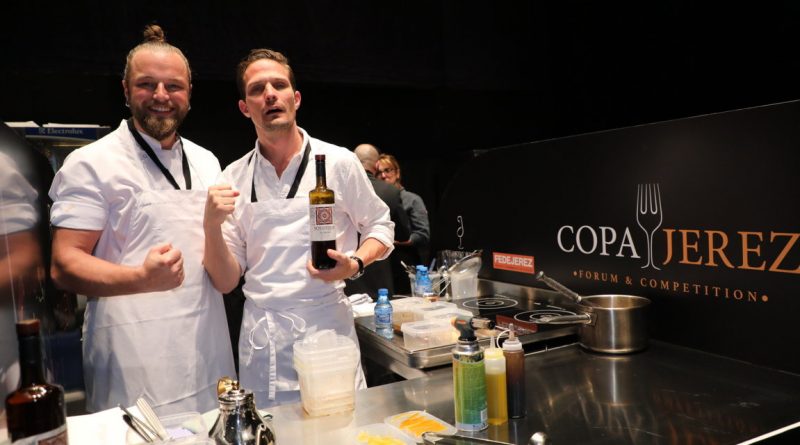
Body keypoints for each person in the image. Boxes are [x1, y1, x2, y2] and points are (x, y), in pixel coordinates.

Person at [48, 25, 235, 414]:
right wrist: (141, 278)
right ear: (125, 90)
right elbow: (64, 264)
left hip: (206, 352)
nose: (161, 96)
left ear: (189, 93)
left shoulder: (207, 161)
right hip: (131, 360)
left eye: (173, 86)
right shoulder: (91, 163)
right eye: (147, 84)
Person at [203, 49, 395, 408]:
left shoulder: (338, 162)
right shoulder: (233, 177)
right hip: (263, 344)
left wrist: (354, 263)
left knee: (339, 427)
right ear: (244, 107)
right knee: (273, 431)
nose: (269, 95)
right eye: (257, 89)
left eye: (279, 85)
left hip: (327, 335)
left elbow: (381, 226)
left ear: (296, 98)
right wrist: (211, 227)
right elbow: (227, 281)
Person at [348, 143, 411, 299]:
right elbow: (403, 234)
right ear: (377, 165)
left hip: (346, 273)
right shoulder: (390, 191)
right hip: (379, 275)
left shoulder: (339, 189)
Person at [376, 154, 431, 292]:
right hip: (384, 265)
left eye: (387, 170)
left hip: (406, 263)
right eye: (378, 173)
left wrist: (399, 241)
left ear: (397, 173)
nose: (383, 176)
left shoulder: (412, 199)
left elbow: (423, 234)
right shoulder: (375, 201)